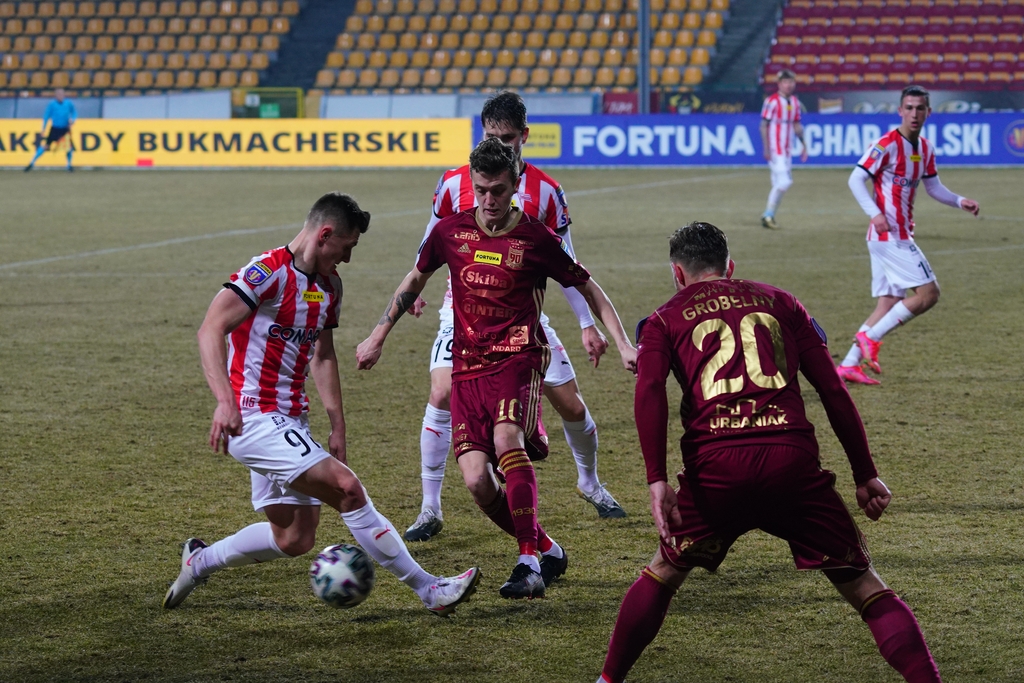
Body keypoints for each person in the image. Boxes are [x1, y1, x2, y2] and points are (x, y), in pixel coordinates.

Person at [597, 222, 942, 683]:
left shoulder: (663, 319)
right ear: (730, 267)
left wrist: (656, 479)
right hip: (790, 464)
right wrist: (865, 473)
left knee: (665, 570)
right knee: (863, 584)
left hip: (716, 471)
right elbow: (833, 391)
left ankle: (607, 680)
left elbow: (650, 391)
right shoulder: (783, 302)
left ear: (677, 274)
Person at [163, 192, 480, 616]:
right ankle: (429, 589)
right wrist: (225, 402)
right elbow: (210, 329)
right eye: (346, 247)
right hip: (253, 416)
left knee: (294, 537)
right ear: (325, 235)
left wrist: (337, 425)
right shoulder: (267, 273)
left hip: (291, 419)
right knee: (347, 489)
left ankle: (199, 562)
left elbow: (323, 355)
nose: (347, 258)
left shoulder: (329, 286)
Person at [356, 139, 637, 599]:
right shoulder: (450, 231)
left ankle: (528, 563)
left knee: (507, 439)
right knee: (476, 481)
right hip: (467, 365)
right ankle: (547, 548)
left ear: (515, 185)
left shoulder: (536, 238)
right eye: (482, 190)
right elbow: (415, 279)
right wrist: (377, 335)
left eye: (499, 191)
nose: (489, 200)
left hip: (518, 357)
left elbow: (589, 287)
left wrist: (622, 342)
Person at [403, 91, 626, 546]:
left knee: (571, 406)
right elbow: (432, 238)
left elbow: (569, 264)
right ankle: (429, 507)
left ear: (524, 136)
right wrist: (415, 288)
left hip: (524, 317)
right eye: (491, 136)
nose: (499, 144)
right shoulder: (454, 182)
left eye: (507, 138)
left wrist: (587, 323)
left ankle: (589, 483)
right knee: (441, 391)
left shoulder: (546, 190)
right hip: (461, 312)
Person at [838, 85, 980, 385]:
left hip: (892, 237)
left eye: (920, 108)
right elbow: (855, 178)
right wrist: (875, 213)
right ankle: (870, 337)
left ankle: (848, 365)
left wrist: (959, 201)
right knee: (929, 294)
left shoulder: (925, 148)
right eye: (909, 108)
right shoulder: (887, 144)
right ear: (900, 110)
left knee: (889, 302)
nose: (914, 113)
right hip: (890, 236)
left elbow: (933, 187)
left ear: (928, 112)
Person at [759, 69, 807, 229]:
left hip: (787, 150)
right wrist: (766, 148)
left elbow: (797, 125)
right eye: (785, 82)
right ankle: (767, 215)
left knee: (778, 184)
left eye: (791, 82)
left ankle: (769, 217)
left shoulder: (795, 102)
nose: (788, 85)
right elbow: (763, 125)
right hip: (775, 149)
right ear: (779, 84)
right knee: (785, 182)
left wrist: (804, 145)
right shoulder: (771, 101)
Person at [25, 88, 77, 172]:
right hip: (55, 129)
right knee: (46, 146)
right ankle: (31, 163)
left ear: (64, 95)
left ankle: (69, 165)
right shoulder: (52, 104)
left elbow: (74, 113)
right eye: (58, 94)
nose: (60, 96)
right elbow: (46, 116)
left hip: (65, 129)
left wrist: (73, 120)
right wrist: (43, 128)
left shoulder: (68, 103)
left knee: (68, 148)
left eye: (61, 94)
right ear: (56, 95)